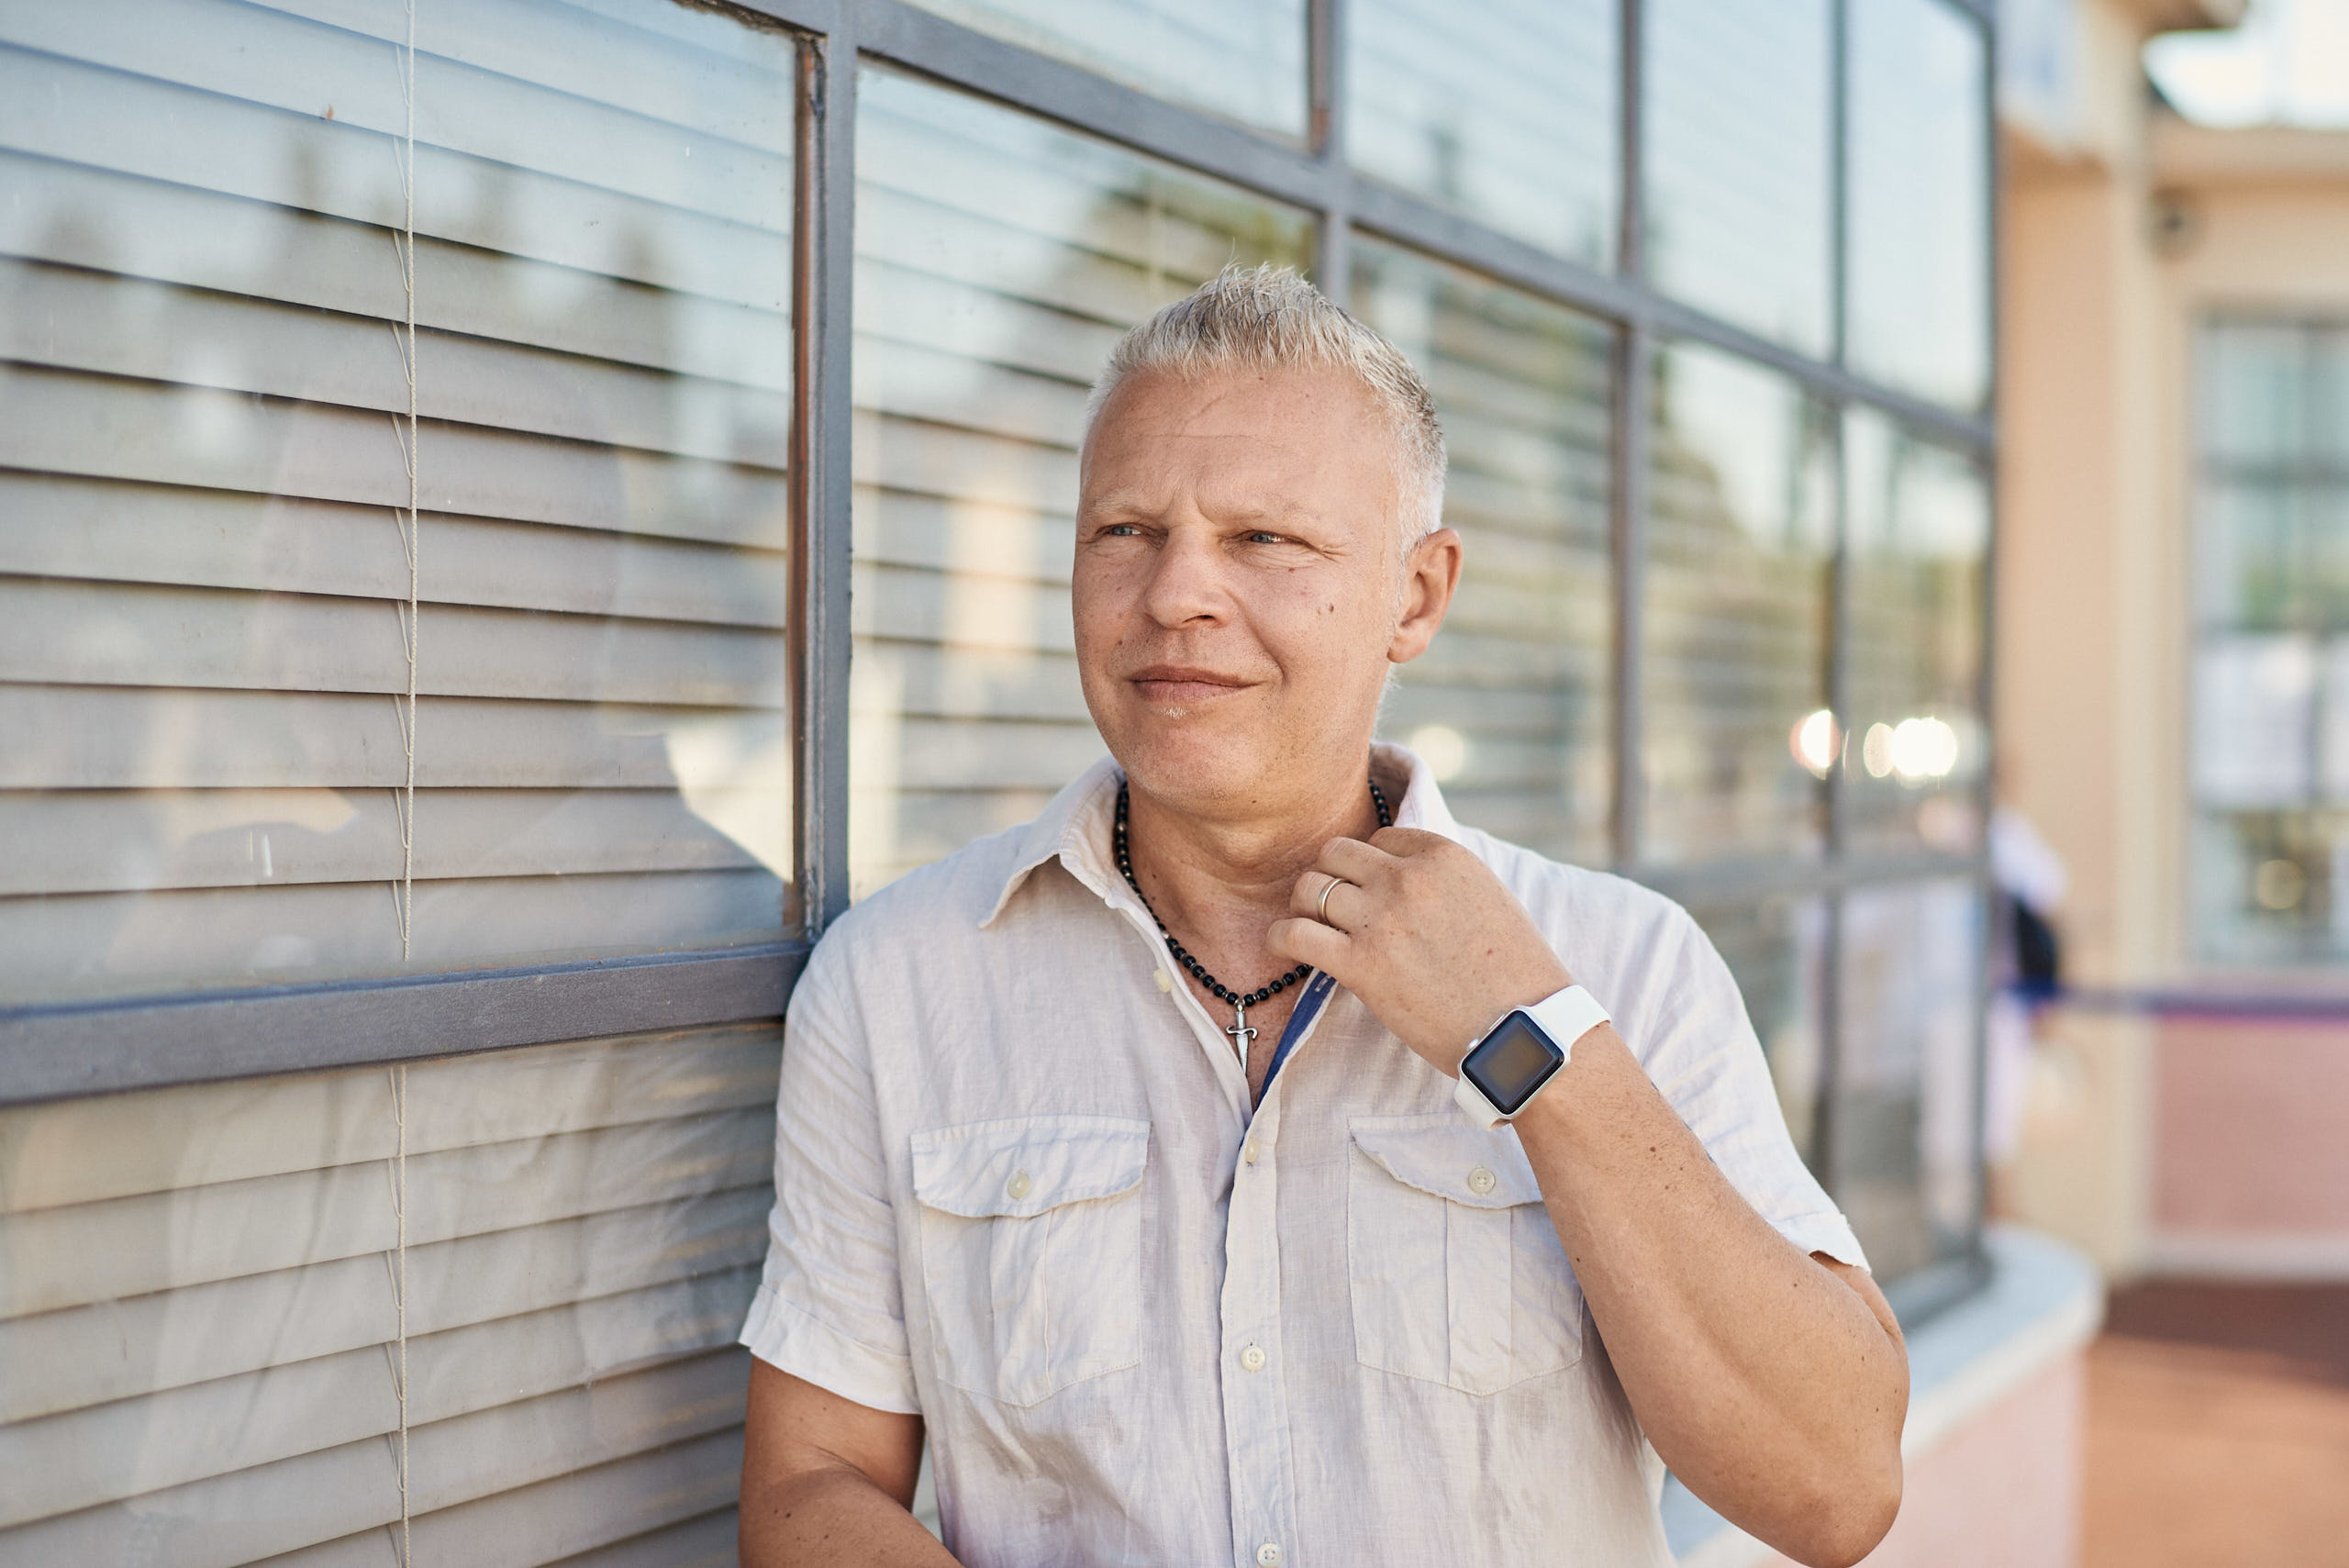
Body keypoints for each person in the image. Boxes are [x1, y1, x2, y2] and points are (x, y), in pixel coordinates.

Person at [735, 266, 1908, 1568]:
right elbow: (811, 1481)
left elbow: (1834, 1486)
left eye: (1264, 540)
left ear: (1417, 595)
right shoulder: (898, 984)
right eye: (1124, 530)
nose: (1176, 592)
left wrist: (1537, 1043)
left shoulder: (1624, 962)